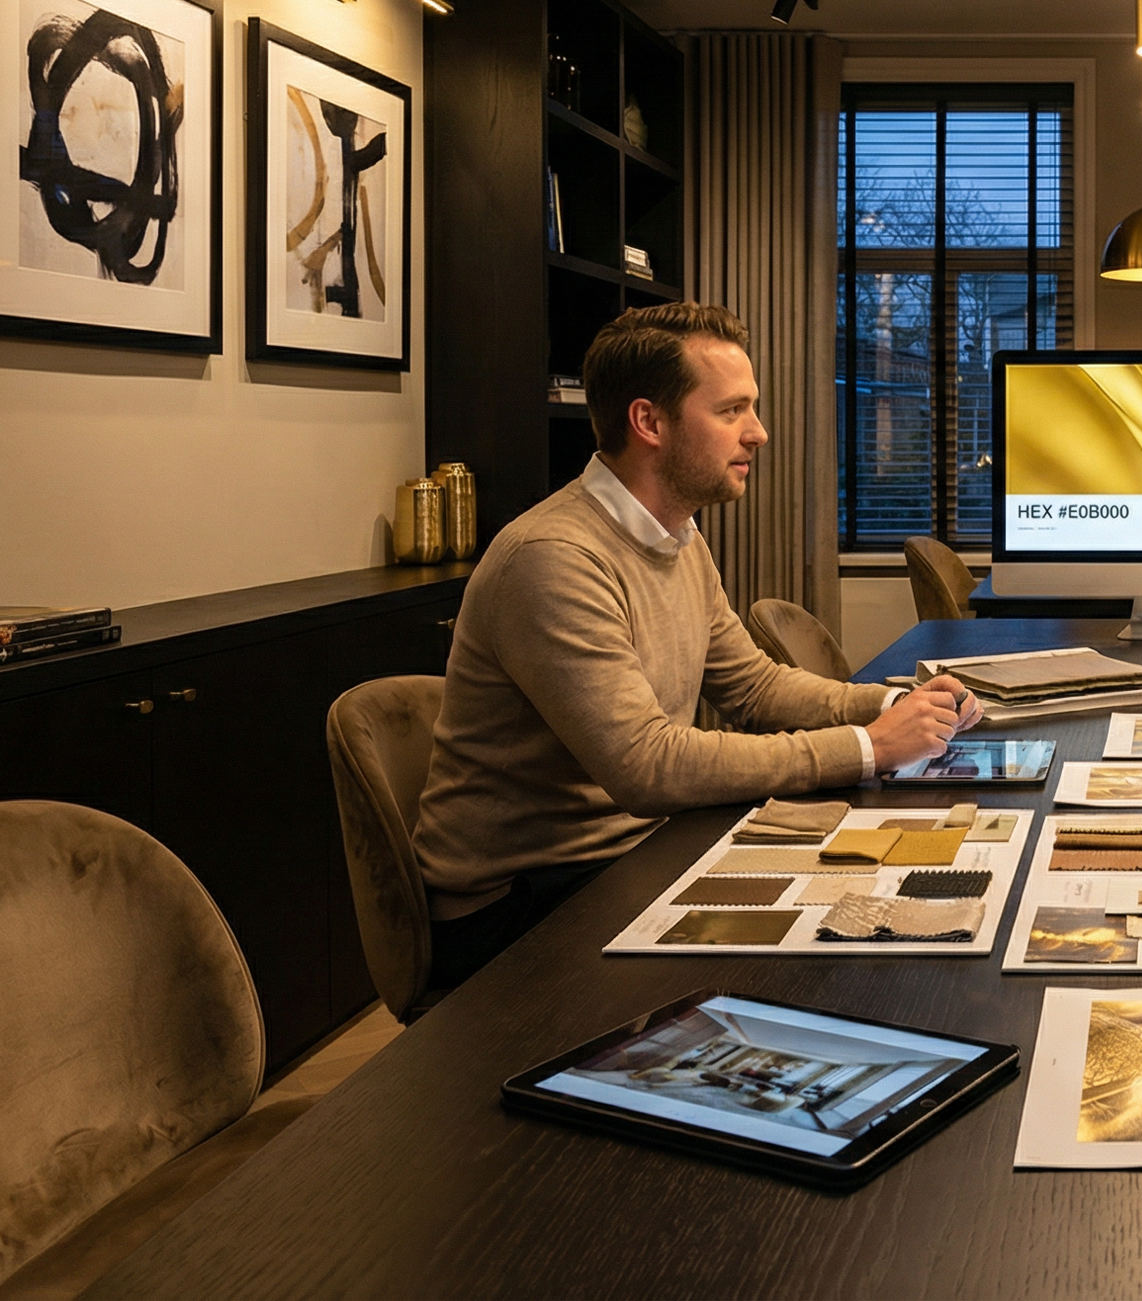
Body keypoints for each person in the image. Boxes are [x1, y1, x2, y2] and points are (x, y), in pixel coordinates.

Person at [413, 301, 978, 985]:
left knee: (894, 915)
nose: (759, 433)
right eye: (731, 411)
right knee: (838, 971)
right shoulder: (552, 557)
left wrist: (894, 701)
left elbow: (755, 687)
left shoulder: (677, 535)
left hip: (634, 853)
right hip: (521, 908)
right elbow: (647, 765)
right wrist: (870, 747)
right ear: (649, 421)